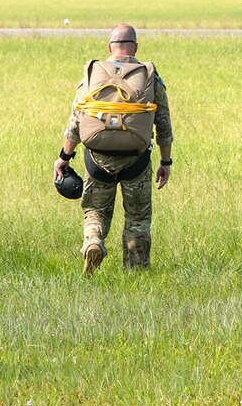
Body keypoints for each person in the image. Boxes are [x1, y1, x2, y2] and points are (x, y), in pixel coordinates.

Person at [54, 23, 173, 273]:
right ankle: (136, 273)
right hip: (136, 161)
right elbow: (163, 123)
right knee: (138, 218)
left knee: (95, 210)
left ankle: (93, 242)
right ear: (135, 47)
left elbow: (76, 120)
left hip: (97, 158)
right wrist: (165, 163)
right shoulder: (148, 75)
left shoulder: (94, 72)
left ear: (110, 47)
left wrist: (64, 157)